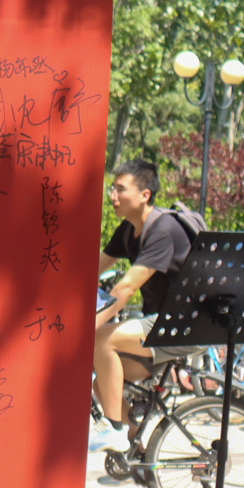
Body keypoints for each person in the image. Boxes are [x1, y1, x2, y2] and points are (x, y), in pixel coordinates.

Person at [91, 159, 203, 454]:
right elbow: (91, 270)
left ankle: (114, 429)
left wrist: (90, 325)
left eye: (120, 189)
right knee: (98, 378)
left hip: (184, 325)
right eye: (112, 189)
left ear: (145, 195)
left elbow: (127, 288)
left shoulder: (163, 230)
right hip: (159, 324)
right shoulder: (129, 229)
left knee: (99, 338)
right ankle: (135, 445)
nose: (113, 196)